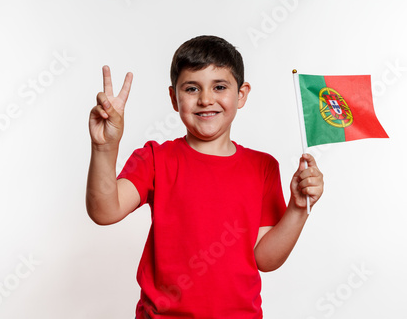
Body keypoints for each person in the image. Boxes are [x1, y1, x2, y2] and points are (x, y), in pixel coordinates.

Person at [86, 35, 324, 319]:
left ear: (242, 94)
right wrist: (104, 146)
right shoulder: (154, 159)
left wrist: (298, 209)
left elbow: (265, 258)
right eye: (191, 88)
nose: (206, 99)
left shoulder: (263, 167)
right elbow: (104, 211)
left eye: (219, 86)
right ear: (174, 98)